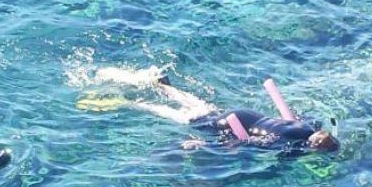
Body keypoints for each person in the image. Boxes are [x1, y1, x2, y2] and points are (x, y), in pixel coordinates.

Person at [78, 66, 339, 153]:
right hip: (232, 126)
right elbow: (255, 144)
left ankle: (165, 86)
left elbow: (299, 117)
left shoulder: (307, 126)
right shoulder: (291, 146)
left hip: (244, 114)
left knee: (202, 108)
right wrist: (209, 146)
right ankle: (131, 102)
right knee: (183, 117)